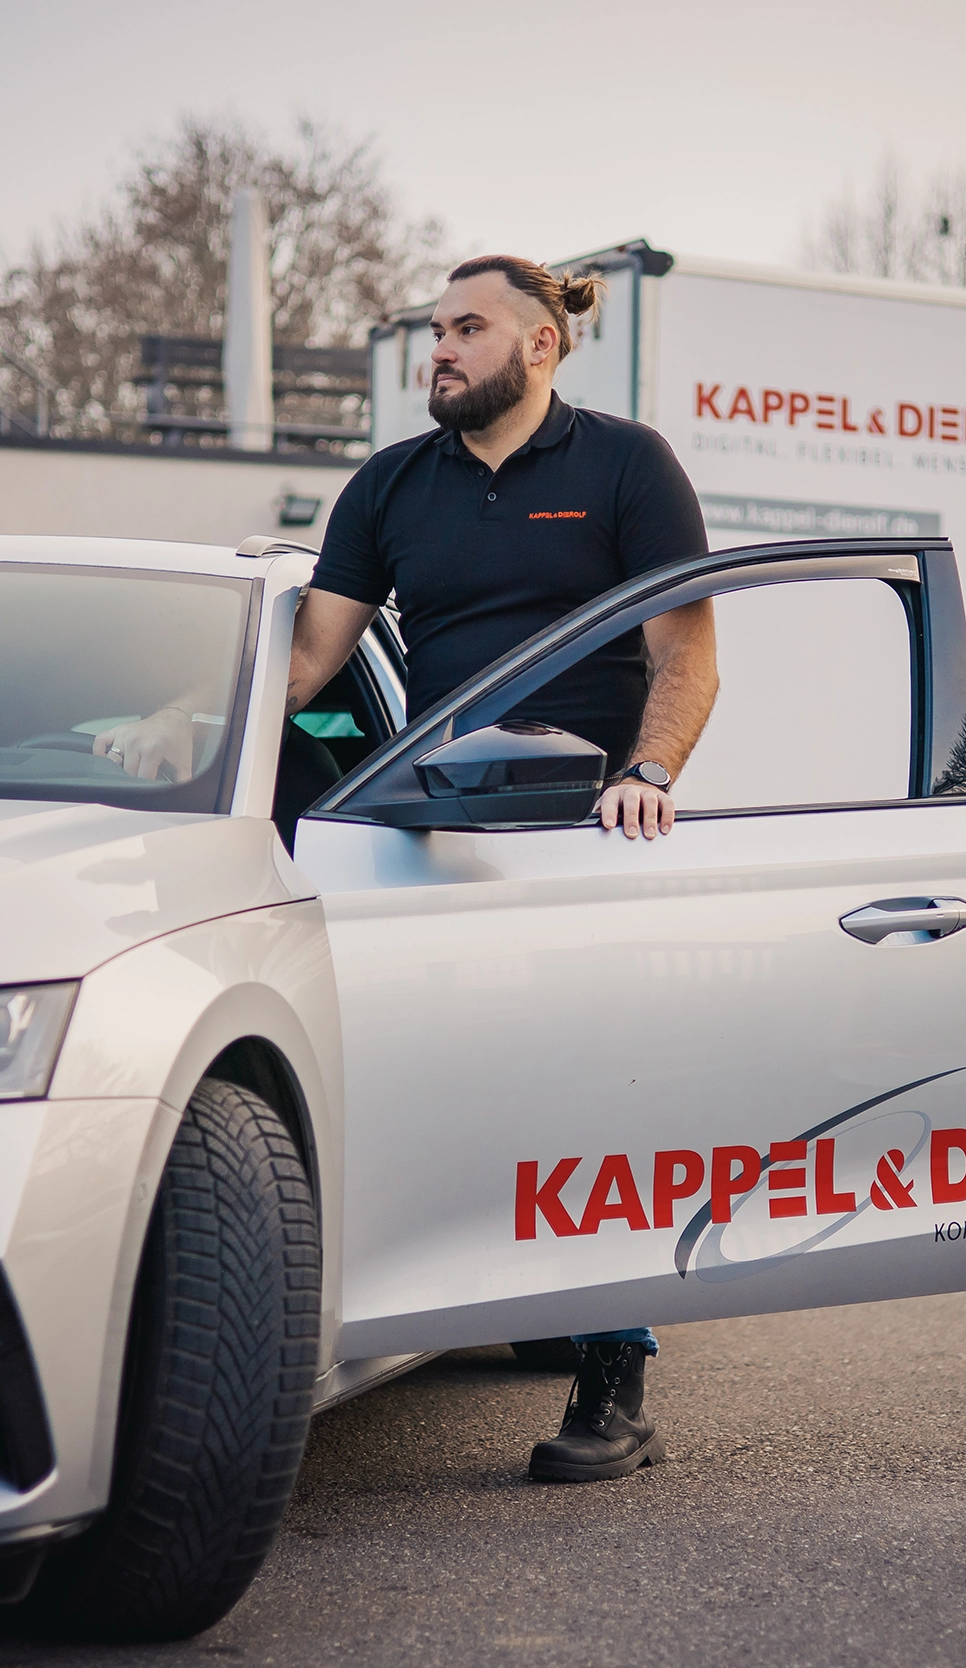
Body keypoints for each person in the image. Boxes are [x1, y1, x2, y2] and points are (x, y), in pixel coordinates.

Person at [98, 253, 718, 1480]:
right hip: (428, 839)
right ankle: (427, 1297)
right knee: (451, 1090)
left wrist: (645, 775)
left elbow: (685, 654)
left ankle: (614, 1379)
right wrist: (182, 725)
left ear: (539, 344)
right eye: (435, 329)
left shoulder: (626, 466)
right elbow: (307, 661)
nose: (437, 348)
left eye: (465, 328)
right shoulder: (388, 484)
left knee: (594, 1101)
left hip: (579, 834)